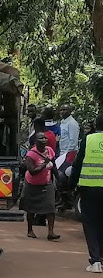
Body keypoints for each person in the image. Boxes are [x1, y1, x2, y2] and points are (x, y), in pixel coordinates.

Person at [70, 113, 103, 273]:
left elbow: (77, 164)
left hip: (89, 189)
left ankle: (96, 261)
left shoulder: (88, 139)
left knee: (91, 224)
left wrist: (71, 185)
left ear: (96, 125)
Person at [21, 131, 60, 240]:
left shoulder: (50, 151)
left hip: (46, 183)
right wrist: (44, 164)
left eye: (45, 138)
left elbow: (54, 165)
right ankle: (30, 230)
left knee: (51, 207)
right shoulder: (31, 155)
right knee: (30, 208)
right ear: (35, 142)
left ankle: (51, 232)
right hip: (32, 184)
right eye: (41, 138)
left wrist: (57, 177)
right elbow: (32, 171)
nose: (44, 140)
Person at [58, 104, 80, 176]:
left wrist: (66, 154)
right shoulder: (62, 123)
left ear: (70, 111)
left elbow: (73, 141)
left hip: (69, 154)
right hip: (62, 154)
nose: (62, 112)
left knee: (65, 175)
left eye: (64, 110)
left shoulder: (72, 123)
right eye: (61, 110)